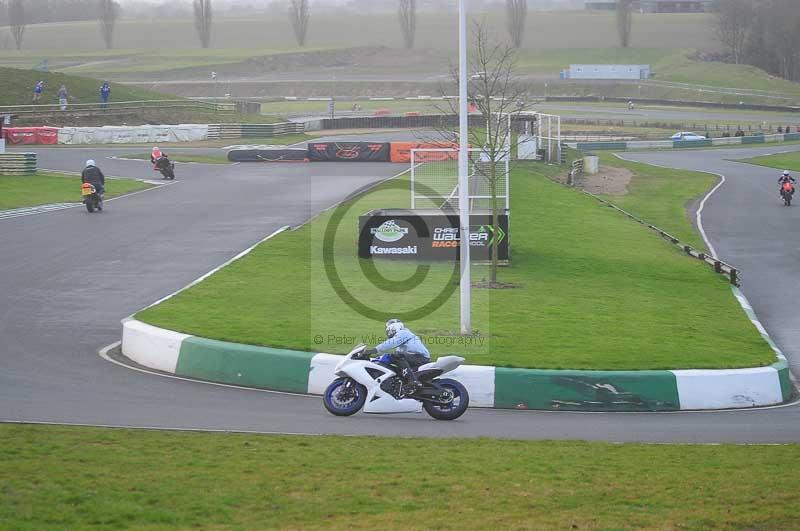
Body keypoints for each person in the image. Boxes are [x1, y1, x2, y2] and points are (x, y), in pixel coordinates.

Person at [364, 319, 430, 393]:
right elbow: (390, 355)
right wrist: (373, 359)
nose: (388, 332)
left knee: (396, 356)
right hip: (415, 358)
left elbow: (390, 343)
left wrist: (374, 350)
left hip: (420, 358)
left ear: (393, 328)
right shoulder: (401, 345)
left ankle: (413, 380)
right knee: (394, 359)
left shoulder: (404, 333)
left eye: (388, 329)